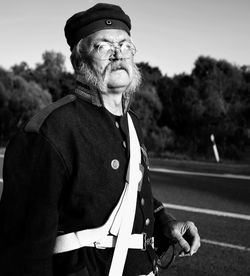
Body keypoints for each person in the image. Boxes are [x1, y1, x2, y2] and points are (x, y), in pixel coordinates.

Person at [0, 3, 200, 276]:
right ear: (78, 61)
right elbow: (23, 245)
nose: (118, 54)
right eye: (103, 46)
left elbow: (123, 191)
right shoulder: (51, 129)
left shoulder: (133, 121)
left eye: (126, 46)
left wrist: (165, 221)